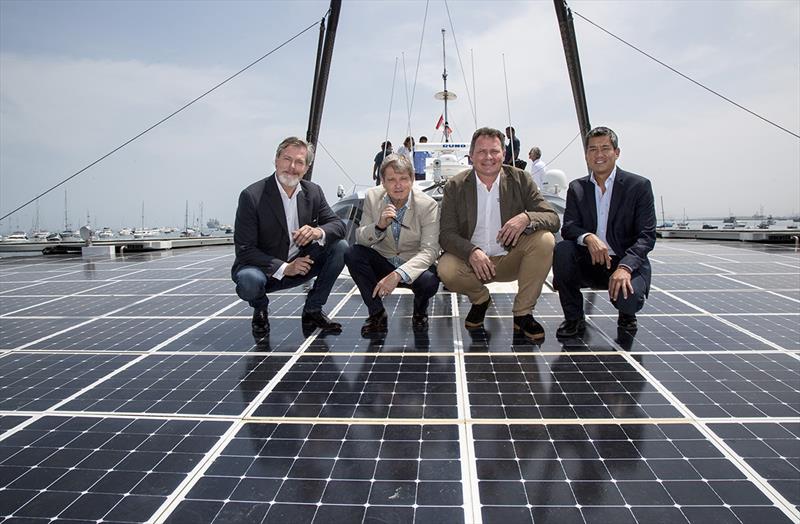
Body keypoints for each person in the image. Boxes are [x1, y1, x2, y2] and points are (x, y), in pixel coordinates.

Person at [438, 127, 560, 341]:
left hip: (510, 260)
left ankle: (523, 314)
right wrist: (471, 252)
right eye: (481, 151)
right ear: (471, 156)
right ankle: (480, 299)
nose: (488, 157)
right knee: (445, 267)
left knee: (545, 240)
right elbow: (446, 234)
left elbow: (552, 218)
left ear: (504, 154)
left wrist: (526, 218)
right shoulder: (455, 186)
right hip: (472, 264)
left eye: (494, 151)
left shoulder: (521, 179)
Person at [232, 136, 348, 337]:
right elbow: (245, 250)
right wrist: (286, 267)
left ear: (306, 167)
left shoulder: (313, 192)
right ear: (276, 160)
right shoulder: (252, 196)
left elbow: (338, 225)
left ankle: (313, 309)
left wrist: (317, 232)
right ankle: (260, 308)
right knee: (248, 279)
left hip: (301, 264)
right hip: (264, 271)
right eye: (287, 159)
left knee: (341, 247)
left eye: (299, 162)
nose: (292, 166)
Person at [552, 126, 656, 338]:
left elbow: (646, 236)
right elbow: (569, 227)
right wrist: (589, 238)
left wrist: (626, 267)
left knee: (629, 299)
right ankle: (574, 318)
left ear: (616, 153)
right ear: (586, 155)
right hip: (590, 260)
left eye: (605, 148)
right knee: (562, 250)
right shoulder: (577, 188)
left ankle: (627, 314)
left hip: (624, 261)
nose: (599, 155)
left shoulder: (638, 186)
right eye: (593, 149)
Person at [345, 154, 440, 336]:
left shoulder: (428, 205)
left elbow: (430, 250)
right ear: (383, 181)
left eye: (404, 179)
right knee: (352, 253)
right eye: (392, 180)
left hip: (412, 265)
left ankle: (420, 311)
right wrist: (379, 226)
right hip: (384, 260)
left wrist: (398, 275)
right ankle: (377, 314)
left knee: (430, 281)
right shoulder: (373, 197)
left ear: (412, 179)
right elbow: (361, 238)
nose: (398, 185)